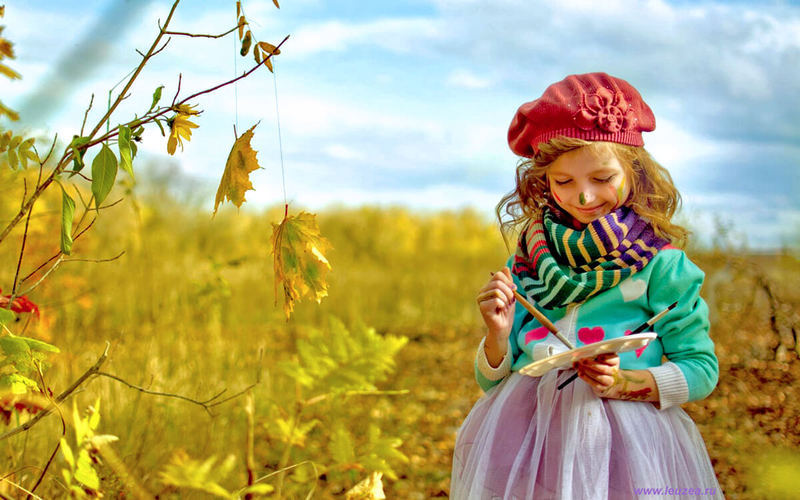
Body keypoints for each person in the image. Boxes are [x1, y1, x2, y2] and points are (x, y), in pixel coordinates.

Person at [450, 73, 722, 499]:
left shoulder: (661, 264)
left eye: (601, 178)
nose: (583, 197)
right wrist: (497, 335)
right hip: (525, 438)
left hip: (626, 448)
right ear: (543, 182)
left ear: (635, 171)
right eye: (564, 182)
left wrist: (627, 382)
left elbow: (702, 370)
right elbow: (492, 384)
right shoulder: (526, 260)